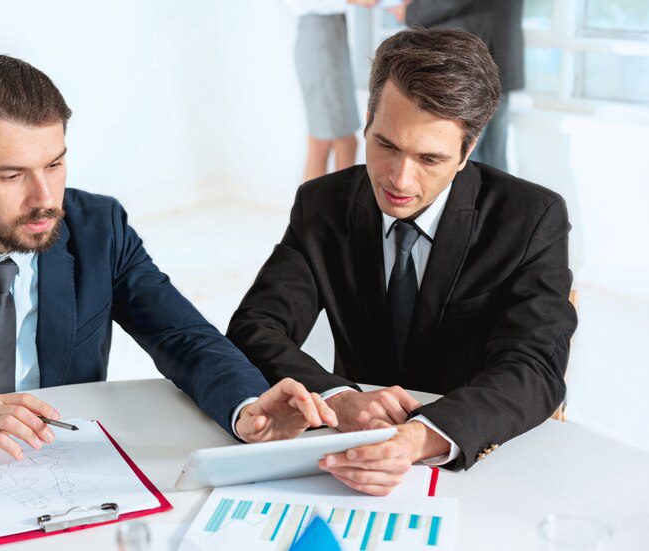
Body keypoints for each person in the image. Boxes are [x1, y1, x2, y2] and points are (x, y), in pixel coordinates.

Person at [0, 55, 337, 470]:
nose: (45, 199)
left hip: (66, 473)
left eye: (54, 164)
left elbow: (183, 337)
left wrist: (248, 408)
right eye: (12, 176)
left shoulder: (99, 228)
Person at [227, 28, 576, 495]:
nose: (398, 179)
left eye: (429, 158)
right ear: (369, 118)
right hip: (345, 459)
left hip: (471, 463)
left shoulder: (531, 218)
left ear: (466, 152)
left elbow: (533, 367)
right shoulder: (322, 204)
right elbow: (255, 326)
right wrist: (338, 398)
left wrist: (419, 438)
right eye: (386, 145)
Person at [386, 0, 524, 172]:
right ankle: (496, 199)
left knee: (462, 157)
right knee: (492, 156)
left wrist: (410, 11)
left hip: (474, 54)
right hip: (490, 49)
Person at [287, 0, 371, 181]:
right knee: (337, 142)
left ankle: (316, 209)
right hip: (320, 39)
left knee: (324, 142)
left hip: (330, 36)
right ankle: (336, 209)